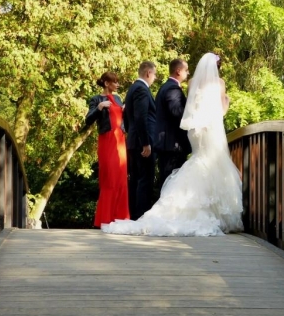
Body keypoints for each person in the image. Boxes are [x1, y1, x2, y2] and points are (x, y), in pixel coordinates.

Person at [102, 52, 244, 236]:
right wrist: (226, 104)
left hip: (195, 133)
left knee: (198, 164)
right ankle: (212, 212)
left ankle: (159, 211)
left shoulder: (191, 83)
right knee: (211, 165)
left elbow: (189, 110)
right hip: (205, 132)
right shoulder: (219, 84)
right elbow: (217, 113)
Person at [85, 72, 129, 228]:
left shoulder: (118, 98)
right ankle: (105, 219)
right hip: (107, 140)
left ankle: (120, 219)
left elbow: (123, 120)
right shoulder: (96, 99)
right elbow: (88, 120)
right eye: (114, 82)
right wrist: (99, 107)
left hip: (121, 141)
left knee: (121, 180)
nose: (117, 85)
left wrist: (125, 111)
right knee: (109, 178)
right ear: (106, 83)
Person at [123, 61, 157, 220]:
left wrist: (132, 135)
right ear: (148, 73)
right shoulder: (142, 90)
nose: (155, 78)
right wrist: (145, 142)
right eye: (155, 75)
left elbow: (127, 117)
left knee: (136, 179)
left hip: (133, 141)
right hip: (142, 144)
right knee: (145, 180)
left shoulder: (132, 89)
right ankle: (140, 216)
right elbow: (140, 117)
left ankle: (135, 216)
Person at [154, 58, 192, 191]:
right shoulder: (172, 89)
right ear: (178, 71)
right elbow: (177, 113)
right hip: (172, 145)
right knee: (171, 183)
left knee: (167, 182)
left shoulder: (165, 87)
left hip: (167, 144)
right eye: (186, 70)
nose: (188, 73)